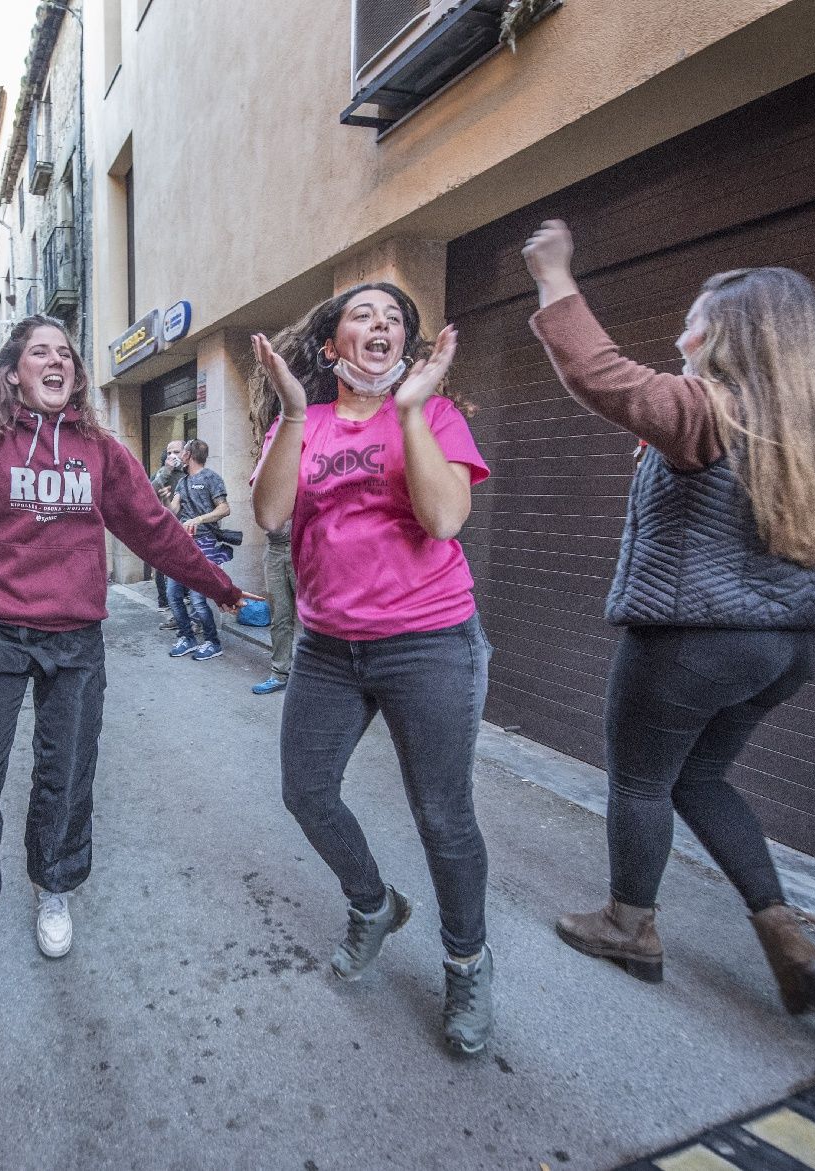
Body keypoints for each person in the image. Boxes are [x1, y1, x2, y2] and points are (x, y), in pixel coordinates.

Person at [0, 290, 249, 1012]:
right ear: (12, 371)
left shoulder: (100, 452)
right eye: (39, 350)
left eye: (65, 353)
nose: (57, 359)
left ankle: (54, 888)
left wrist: (218, 585)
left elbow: (155, 530)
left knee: (67, 772)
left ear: (75, 376)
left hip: (74, 637)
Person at [522, 220, 815, 1015]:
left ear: (729, 334)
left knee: (641, 780)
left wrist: (554, 277)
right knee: (701, 776)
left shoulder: (709, 410)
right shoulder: (802, 425)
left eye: (694, 317)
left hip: (694, 644)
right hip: (784, 649)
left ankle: (628, 925)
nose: (680, 331)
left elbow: (602, 376)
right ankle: (787, 936)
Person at [251, 282, 496, 1056]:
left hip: (428, 639)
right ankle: (372, 903)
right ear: (333, 345)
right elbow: (267, 513)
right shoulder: (308, 421)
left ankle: (467, 961)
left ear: (406, 346)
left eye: (395, 319)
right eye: (364, 314)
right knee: (307, 791)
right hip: (329, 646)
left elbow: (446, 518)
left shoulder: (436, 415)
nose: (381, 324)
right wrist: (292, 413)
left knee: (442, 815)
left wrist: (416, 410)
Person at [165, 439, 232, 662]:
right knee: (173, 593)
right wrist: (165, 497)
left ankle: (213, 642)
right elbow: (172, 510)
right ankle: (188, 637)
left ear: (189, 454)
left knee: (197, 599)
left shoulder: (211, 478)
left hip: (205, 542)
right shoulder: (182, 482)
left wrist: (199, 519)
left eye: (180, 451)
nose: (176, 454)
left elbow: (224, 508)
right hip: (183, 544)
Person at [251, 515, 299, 695]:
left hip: (301, 545)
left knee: (314, 616)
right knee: (279, 616)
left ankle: (325, 676)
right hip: (274, 549)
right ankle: (279, 674)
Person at [150, 441, 186, 616]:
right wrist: (166, 470)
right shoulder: (161, 473)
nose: (173, 455)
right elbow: (149, 492)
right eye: (169, 452)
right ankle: (164, 600)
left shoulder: (189, 473)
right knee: (162, 566)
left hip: (185, 526)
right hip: (164, 527)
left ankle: (181, 603)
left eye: (176, 452)